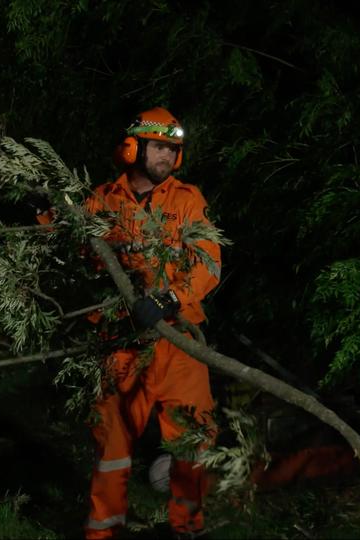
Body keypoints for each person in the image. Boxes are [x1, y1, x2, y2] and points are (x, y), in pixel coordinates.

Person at [82, 107, 222, 539]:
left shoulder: (187, 199)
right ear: (133, 147)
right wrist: (44, 216)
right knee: (112, 448)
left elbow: (209, 263)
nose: (167, 155)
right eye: (159, 146)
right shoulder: (103, 198)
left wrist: (169, 300)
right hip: (121, 342)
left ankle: (188, 529)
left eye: (173, 149)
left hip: (178, 341)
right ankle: (104, 532)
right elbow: (68, 241)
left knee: (192, 444)